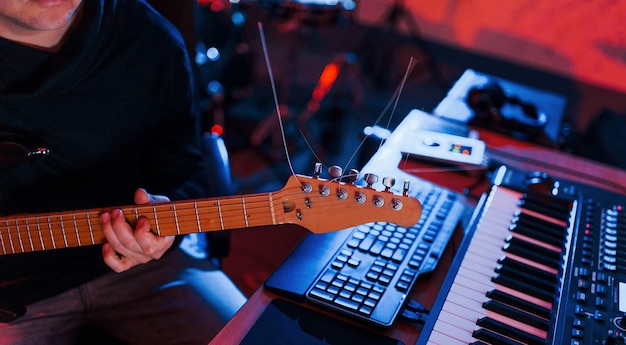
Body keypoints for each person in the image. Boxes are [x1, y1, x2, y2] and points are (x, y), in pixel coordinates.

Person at [0, 0, 246, 344]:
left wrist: (163, 224)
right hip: (14, 294)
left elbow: (186, 173)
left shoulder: (149, 38)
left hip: (148, 269)